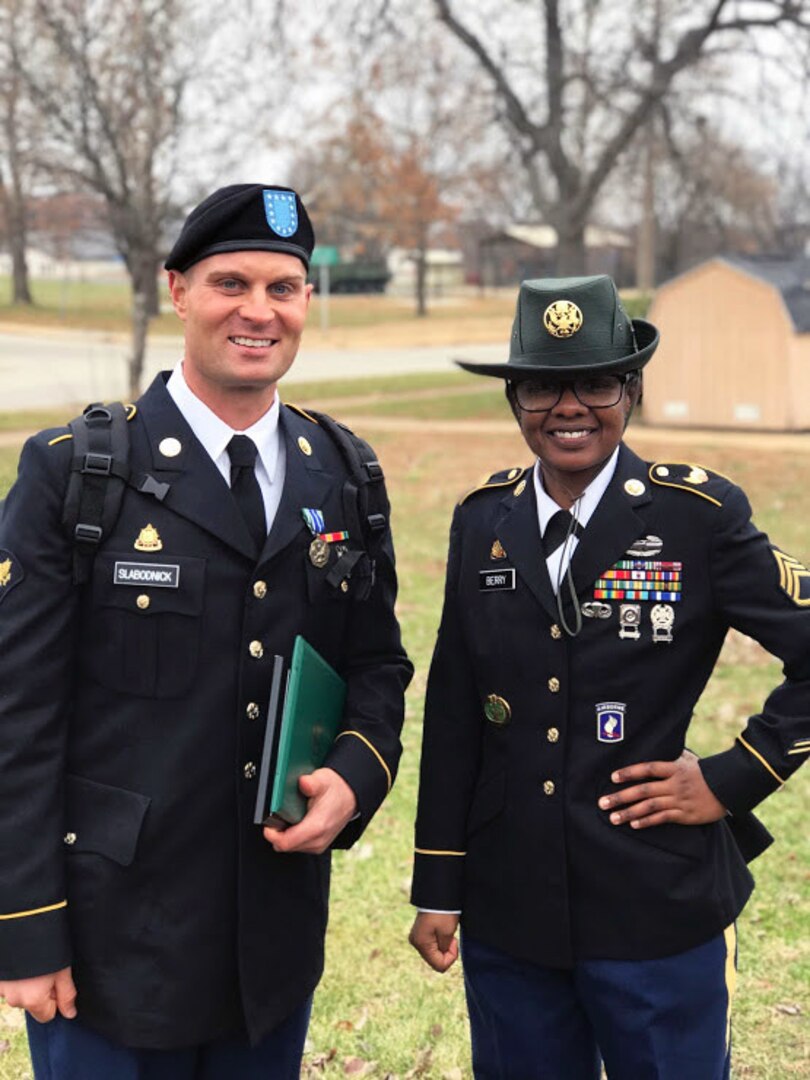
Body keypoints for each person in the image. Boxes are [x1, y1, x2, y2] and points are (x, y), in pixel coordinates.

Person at [0, 183, 412, 1078]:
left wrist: (352, 776)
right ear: (177, 289)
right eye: (230, 283)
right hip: (107, 945)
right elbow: (16, 715)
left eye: (283, 288)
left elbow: (378, 665)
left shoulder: (342, 474)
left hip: (268, 941)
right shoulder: (78, 474)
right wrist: (25, 928)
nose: (258, 311)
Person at [408, 275, 810, 1079]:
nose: (569, 409)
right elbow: (454, 709)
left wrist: (735, 776)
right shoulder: (481, 519)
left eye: (594, 384)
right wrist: (438, 881)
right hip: (510, 908)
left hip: (655, 907)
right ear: (513, 400)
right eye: (542, 389)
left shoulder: (695, 517)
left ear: (630, 389)